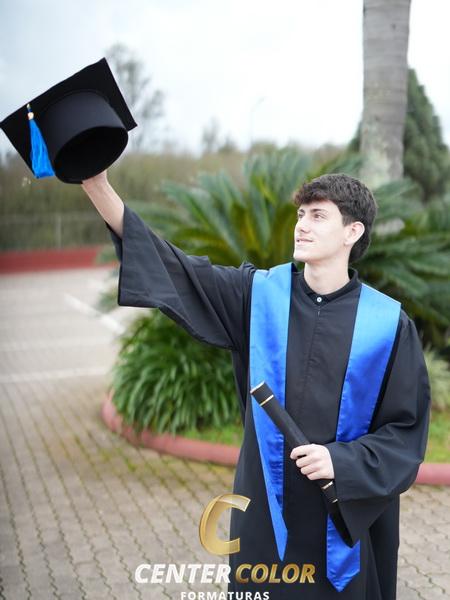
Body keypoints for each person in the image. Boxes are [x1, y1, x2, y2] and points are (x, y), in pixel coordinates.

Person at [81, 170, 431, 600]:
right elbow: (176, 268)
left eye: (318, 215)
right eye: (301, 214)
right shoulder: (259, 296)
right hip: (265, 521)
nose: (302, 225)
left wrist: (341, 461)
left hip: (341, 526)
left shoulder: (386, 325)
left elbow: (404, 433)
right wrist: (97, 186)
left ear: (352, 232)